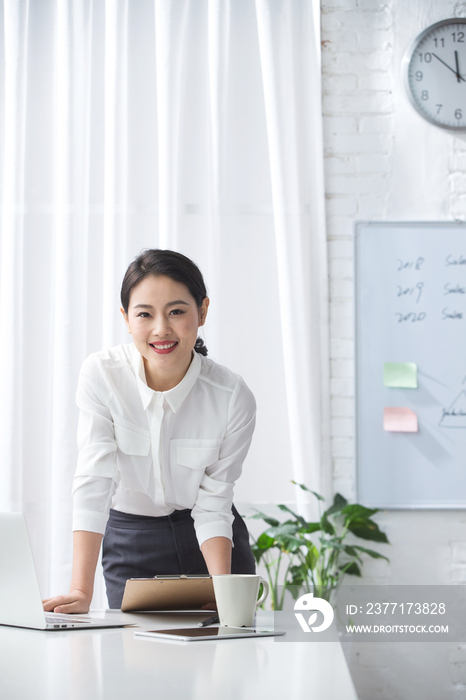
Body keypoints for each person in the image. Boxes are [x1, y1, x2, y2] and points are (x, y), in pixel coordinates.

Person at [43, 249, 256, 612]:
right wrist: (81, 591)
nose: (161, 329)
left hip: (211, 542)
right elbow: (94, 481)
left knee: (226, 657)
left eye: (176, 311)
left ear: (202, 311)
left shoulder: (232, 397)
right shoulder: (102, 376)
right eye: (145, 314)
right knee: (133, 661)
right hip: (132, 541)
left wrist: (223, 591)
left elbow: (214, 502)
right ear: (126, 318)